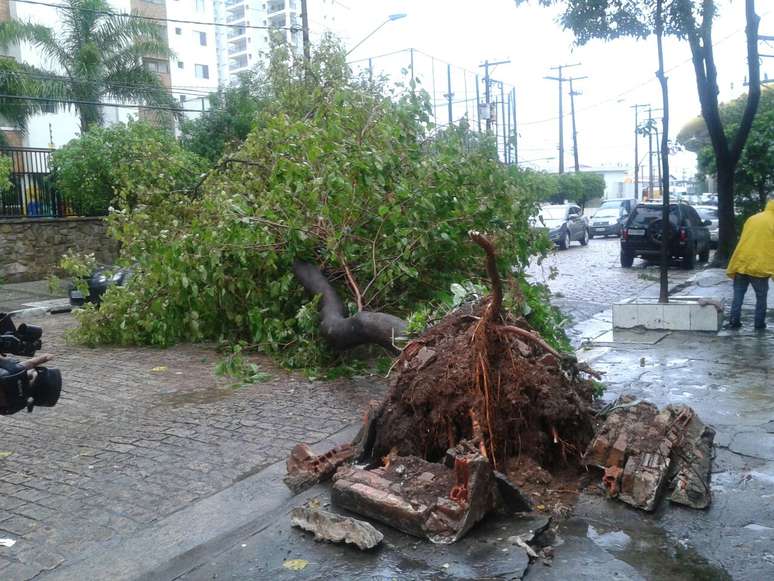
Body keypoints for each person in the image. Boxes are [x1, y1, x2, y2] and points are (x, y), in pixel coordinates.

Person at [725, 198, 774, 330]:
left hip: (742, 263)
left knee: (738, 296)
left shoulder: (752, 219)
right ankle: (759, 325)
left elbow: (744, 240)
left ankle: (734, 322)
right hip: (760, 267)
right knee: (761, 298)